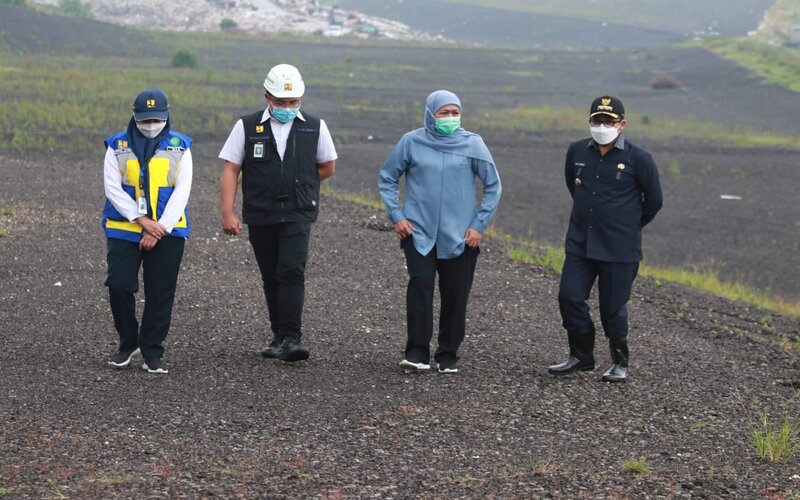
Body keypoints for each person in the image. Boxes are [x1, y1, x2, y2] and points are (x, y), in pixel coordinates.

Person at [219, 63, 337, 362]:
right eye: (281, 102)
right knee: (271, 274)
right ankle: (278, 336)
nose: (287, 107)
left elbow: (327, 166)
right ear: (267, 97)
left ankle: (293, 338)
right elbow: (232, 169)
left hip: (298, 211)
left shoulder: (314, 126)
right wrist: (228, 212)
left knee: (292, 270)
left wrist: (299, 184)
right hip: (261, 211)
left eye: (293, 102)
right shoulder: (246, 126)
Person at [379, 90, 501, 374]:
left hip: (461, 236)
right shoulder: (411, 142)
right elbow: (387, 177)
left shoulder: (473, 144)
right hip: (418, 232)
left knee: (456, 294)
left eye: (454, 113)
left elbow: (493, 186)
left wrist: (479, 225)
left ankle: (448, 354)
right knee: (420, 287)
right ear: (430, 114)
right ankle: (417, 352)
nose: (450, 118)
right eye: (443, 113)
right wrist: (397, 216)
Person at [548, 96, 662, 382]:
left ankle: (619, 361)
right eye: (597, 120)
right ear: (589, 122)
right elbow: (573, 187)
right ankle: (581, 355)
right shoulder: (576, 151)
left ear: (622, 124)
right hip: (581, 244)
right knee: (569, 297)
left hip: (619, 248)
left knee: (612, 307)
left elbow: (654, 201)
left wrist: (627, 226)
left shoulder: (639, 158)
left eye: (608, 121)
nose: (602, 126)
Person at [103, 88, 193, 374]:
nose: (151, 125)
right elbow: (112, 188)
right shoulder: (116, 145)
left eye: (157, 119)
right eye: (145, 120)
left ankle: (152, 350)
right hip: (124, 229)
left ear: (166, 116)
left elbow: (182, 191)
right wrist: (141, 220)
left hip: (168, 231)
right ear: (134, 116)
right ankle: (128, 342)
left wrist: (159, 228)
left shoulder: (180, 146)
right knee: (119, 284)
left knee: (160, 291)